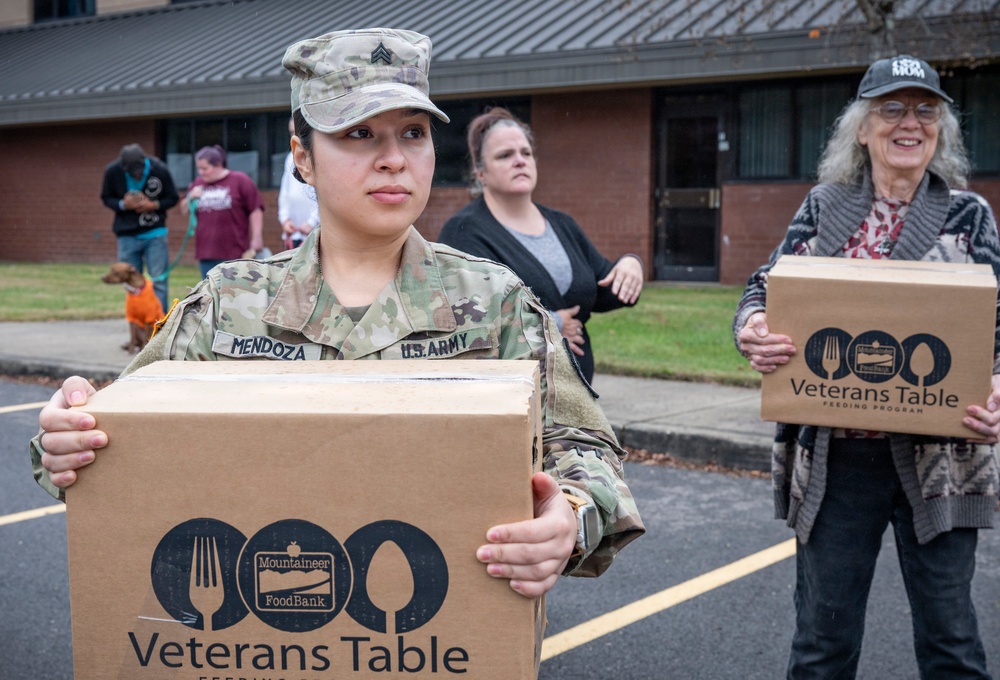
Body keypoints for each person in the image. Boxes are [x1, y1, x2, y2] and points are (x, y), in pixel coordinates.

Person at [30, 27, 644, 597]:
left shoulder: (496, 300)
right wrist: (66, 442)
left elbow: (584, 442)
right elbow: (120, 438)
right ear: (302, 156)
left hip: (440, 628)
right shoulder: (230, 302)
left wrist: (568, 513)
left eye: (413, 133)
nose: (394, 159)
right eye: (358, 134)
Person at [734, 55, 1000, 679]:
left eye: (925, 110)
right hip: (837, 462)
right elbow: (761, 290)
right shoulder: (825, 207)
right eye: (891, 109)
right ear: (861, 127)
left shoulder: (969, 216)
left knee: (951, 641)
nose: (910, 123)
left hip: (942, 460)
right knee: (823, 644)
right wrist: (751, 330)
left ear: (941, 128)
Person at [438, 107, 643, 384]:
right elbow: (468, 317)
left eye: (526, 153)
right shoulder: (463, 231)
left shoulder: (562, 224)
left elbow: (603, 289)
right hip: (513, 392)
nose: (520, 161)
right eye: (505, 155)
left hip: (576, 396)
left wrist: (631, 264)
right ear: (480, 172)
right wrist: (552, 324)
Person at [100, 143, 179, 314]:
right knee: (129, 283)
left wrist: (154, 205)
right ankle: (137, 327)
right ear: (123, 167)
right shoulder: (113, 172)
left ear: (145, 162)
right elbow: (106, 197)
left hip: (154, 233)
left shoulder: (159, 169)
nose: (136, 174)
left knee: (158, 280)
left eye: (139, 170)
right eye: (132, 172)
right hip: (126, 234)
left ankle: (160, 326)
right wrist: (123, 204)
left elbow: (172, 198)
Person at [180, 145, 265, 278]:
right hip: (207, 253)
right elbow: (184, 209)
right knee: (211, 295)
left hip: (235, 253)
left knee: (236, 294)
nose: (201, 172)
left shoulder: (240, 180)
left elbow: (256, 209)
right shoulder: (198, 184)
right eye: (199, 168)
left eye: (205, 168)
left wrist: (257, 237)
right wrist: (191, 196)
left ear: (218, 165)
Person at [278, 116, 319, 250]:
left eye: (298, 132)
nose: (294, 137)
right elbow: (285, 192)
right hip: (294, 232)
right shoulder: (290, 157)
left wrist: (313, 222)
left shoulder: (320, 156)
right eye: (291, 132)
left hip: (317, 232)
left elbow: (331, 194)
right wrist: (285, 219)